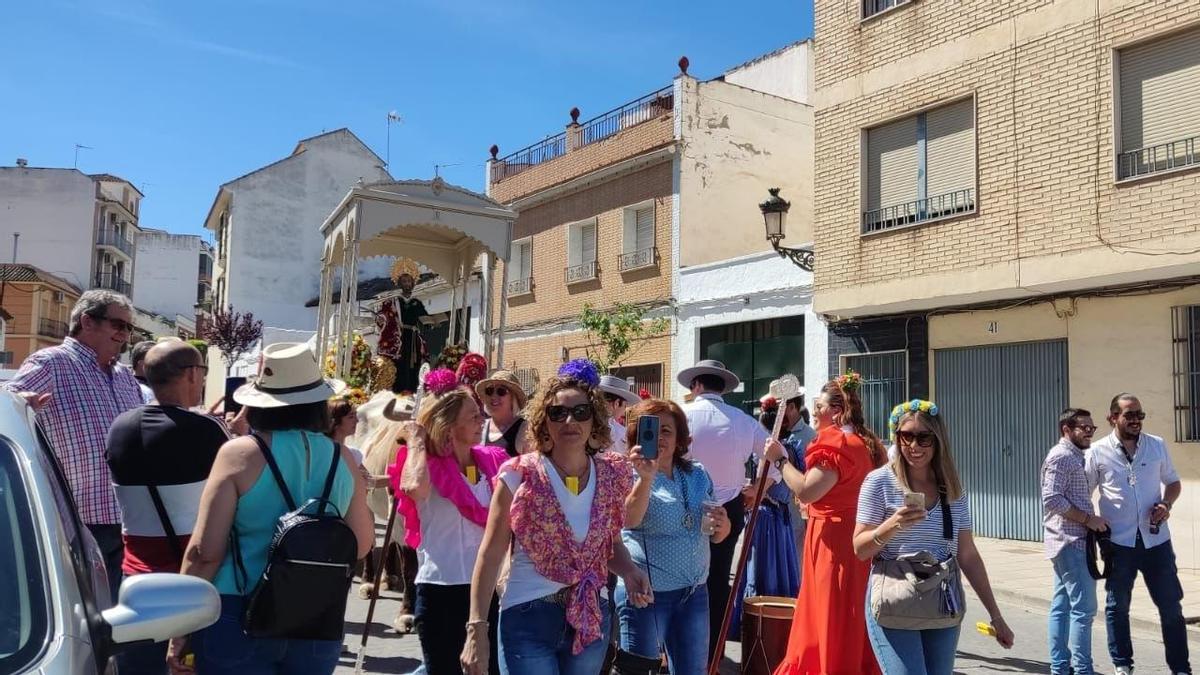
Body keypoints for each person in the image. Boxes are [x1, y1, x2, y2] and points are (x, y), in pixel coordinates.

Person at [166, 342, 374, 675]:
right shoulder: (342, 458)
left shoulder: (240, 455)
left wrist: (179, 626)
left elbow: (205, 552)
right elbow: (362, 544)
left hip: (240, 610)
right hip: (316, 616)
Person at [461, 359, 652, 675]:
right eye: (557, 413)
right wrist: (476, 627)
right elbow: (491, 552)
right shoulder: (518, 474)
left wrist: (630, 570)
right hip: (528, 614)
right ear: (543, 422)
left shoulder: (611, 474)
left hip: (591, 615)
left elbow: (611, 542)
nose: (569, 421)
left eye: (580, 412)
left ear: (594, 421)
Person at [851, 399, 1013, 674]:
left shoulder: (951, 488)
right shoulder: (879, 482)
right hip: (895, 600)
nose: (914, 446)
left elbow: (968, 555)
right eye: (906, 436)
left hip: (941, 601)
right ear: (897, 438)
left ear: (937, 440)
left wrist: (996, 615)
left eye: (923, 438)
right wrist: (892, 525)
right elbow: (860, 548)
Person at [3, 289, 143, 602]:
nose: (124, 335)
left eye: (129, 329)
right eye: (118, 325)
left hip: (125, 519)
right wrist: (19, 404)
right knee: (83, 618)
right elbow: (8, 408)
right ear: (87, 321)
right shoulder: (51, 363)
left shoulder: (124, 377)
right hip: (75, 523)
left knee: (118, 622)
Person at [106, 341, 230, 675]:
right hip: (193, 581)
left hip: (135, 579)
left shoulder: (120, 427)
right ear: (191, 374)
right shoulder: (207, 431)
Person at [385, 368, 509, 675]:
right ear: (450, 427)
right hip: (441, 590)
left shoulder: (492, 461)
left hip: (485, 592)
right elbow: (413, 487)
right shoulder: (426, 465)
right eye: (472, 415)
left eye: (480, 413)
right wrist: (415, 440)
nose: (482, 419)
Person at [763, 375, 883, 675]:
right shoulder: (868, 443)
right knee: (851, 613)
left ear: (837, 411)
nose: (813, 412)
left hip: (833, 543)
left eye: (819, 406)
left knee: (828, 612)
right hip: (858, 540)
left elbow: (807, 489)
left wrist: (780, 460)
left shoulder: (836, 443)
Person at [620, 398, 731, 675]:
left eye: (667, 431)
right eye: (651, 430)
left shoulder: (697, 474)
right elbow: (628, 520)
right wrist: (645, 478)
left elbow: (715, 535)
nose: (659, 438)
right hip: (646, 596)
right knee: (640, 671)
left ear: (680, 437)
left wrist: (723, 526)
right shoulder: (626, 473)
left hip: (694, 593)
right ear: (637, 435)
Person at [678, 358, 776, 662]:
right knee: (718, 579)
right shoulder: (744, 420)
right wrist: (759, 487)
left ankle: (679, 650)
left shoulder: (682, 415)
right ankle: (712, 653)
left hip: (686, 503)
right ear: (722, 388)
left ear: (696, 385)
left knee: (681, 577)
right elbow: (777, 455)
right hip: (729, 507)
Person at [1085, 394, 1190, 675]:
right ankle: (1123, 665)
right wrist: (1091, 520)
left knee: (1171, 608)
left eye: (1139, 415)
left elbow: (1174, 482)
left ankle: (1181, 668)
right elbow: (1083, 492)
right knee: (1117, 607)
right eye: (1129, 415)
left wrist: (1166, 505)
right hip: (1119, 543)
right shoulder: (1097, 452)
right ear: (1112, 418)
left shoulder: (1156, 445)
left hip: (1157, 541)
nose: (1135, 420)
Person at [1043, 408, 1108, 675]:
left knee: (1063, 606)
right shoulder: (1061, 457)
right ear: (1066, 430)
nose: (1089, 432)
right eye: (1084, 428)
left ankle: (1060, 668)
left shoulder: (1074, 456)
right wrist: (1088, 519)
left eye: (1092, 428)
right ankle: (1083, 670)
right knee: (1084, 610)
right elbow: (1052, 499)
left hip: (1068, 540)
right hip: (1070, 541)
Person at [377, 258, 430, 392]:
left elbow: (423, 318)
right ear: (400, 283)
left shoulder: (417, 302)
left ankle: (413, 390)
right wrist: (382, 319)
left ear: (413, 283)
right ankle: (399, 390)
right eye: (404, 281)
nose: (407, 284)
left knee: (415, 365)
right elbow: (384, 315)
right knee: (401, 365)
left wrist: (431, 322)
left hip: (413, 339)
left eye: (409, 281)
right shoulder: (394, 301)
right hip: (400, 338)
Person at [476, 370, 530, 457]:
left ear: (513, 398)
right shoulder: (480, 426)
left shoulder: (525, 430)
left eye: (501, 391)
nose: (493, 396)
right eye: (489, 391)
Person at [597, 374, 640, 454]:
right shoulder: (620, 432)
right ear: (616, 404)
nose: (624, 411)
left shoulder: (585, 423)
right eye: (625, 406)